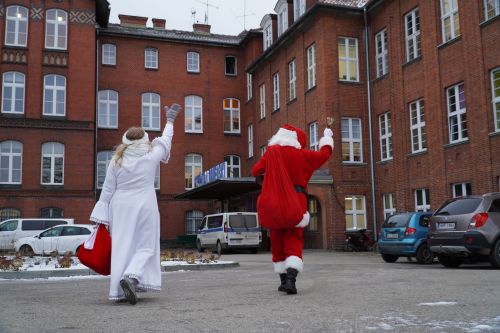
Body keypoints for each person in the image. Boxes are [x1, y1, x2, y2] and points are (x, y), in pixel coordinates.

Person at [89, 103, 182, 305]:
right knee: (146, 245)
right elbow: (166, 140)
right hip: (145, 203)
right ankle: (131, 277)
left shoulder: (116, 160)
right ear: (144, 140)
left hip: (119, 205)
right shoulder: (151, 156)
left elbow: (106, 190)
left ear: (126, 140)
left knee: (122, 246)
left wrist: (100, 217)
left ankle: (119, 289)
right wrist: (170, 120)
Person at [251, 124, 333, 294]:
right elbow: (324, 155)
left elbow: (256, 170)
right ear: (297, 141)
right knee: (293, 237)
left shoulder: (272, 152)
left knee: (277, 238)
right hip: (296, 200)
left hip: (273, 200)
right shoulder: (302, 154)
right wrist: (326, 138)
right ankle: (291, 280)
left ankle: (282, 280)